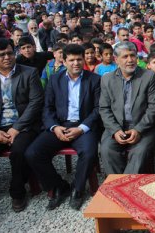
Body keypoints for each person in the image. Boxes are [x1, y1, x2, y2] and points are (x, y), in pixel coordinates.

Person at [26, 44, 101, 211]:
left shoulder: (94, 80)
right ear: (64, 61)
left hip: (83, 126)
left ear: (84, 60)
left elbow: (98, 109)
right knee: (32, 153)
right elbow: (47, 107)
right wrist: (54, 127)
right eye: (71, 60)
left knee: (89, 153)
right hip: (60, 125)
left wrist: (81, 128)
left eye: (79, 59)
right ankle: (59, 186)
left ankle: (78, 188)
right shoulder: (55, 79)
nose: (76, 63)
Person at [0, 38, 44, 212]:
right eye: (1, 55)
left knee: (19, 151)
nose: (7, 57)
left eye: (10, 53)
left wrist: (16, 127)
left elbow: (36, 103)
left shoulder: (29, 73)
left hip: (24, 124)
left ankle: (17, 192)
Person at [99, 42, 155, 174]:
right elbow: (104, 108)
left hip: (143, 127)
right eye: (125, 56)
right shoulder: (107, 79)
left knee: (139, 151)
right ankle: (118, 186)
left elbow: (153, 107)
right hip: (116, 127)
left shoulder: (148, 76)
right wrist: (115, 130)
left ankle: (125, 187)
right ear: (116, 59)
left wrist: (138, 129)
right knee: (107, 150)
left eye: (133, 56)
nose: (130, 60)